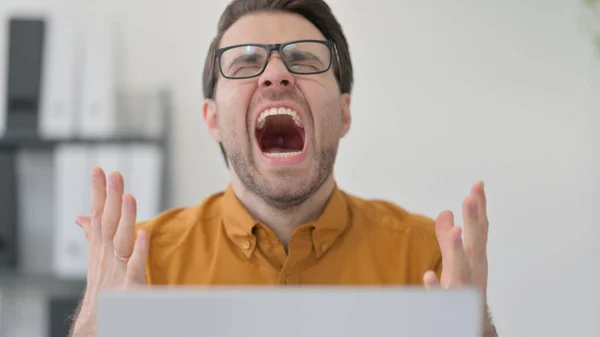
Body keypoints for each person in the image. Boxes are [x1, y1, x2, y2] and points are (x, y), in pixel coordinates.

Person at [70, 0, 498, 336]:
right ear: (214, 119)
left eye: (305, 60)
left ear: (345, 113)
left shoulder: (427, 260)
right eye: (245, 62)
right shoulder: (140, 267)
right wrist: (91, 329)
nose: (276, 75)